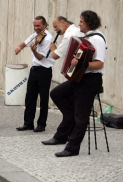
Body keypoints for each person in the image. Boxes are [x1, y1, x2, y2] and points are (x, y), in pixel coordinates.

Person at [42, 10, 107, 157]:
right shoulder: (86, 37)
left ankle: (72, 148)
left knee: (81, 117)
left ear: (89, 22)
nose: (79, 24)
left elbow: (99, 64)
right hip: (81, 78)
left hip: (91, 81)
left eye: (82, 21)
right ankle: (64, 129)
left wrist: (80, 64)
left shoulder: (97, 39)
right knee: (56, 93)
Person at [15, 16, 54, 133]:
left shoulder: (48, 39)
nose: (36, 28)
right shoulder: (35, 35)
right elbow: (25, 43)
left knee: (43, 98)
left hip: (44, 70)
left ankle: (41, 124)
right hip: (34, 69)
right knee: (30, 97)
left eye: (38, 26)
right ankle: (28, 123)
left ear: (45, 25)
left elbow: (40, 57)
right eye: (35, 25)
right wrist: (19, 47)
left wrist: (34, 51)